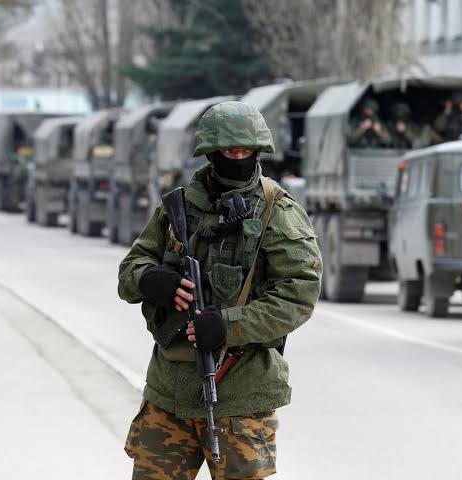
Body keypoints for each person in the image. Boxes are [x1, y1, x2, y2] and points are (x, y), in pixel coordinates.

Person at [118, 101, 322, 479]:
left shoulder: (277, 212)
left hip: (240, 393)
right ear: (211, 153)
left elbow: (299, 296)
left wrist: (229, 326)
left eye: (247, 151)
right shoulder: (180, 207)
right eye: (230, 151)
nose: (239, 159)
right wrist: (151, 279)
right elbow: (131, 268)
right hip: (169, 392)